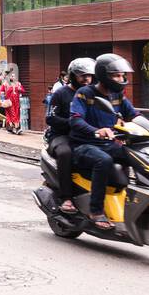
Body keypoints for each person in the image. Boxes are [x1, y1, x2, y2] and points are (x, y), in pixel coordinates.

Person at [68, 53, 144, 230]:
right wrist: (97, 131)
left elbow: (134, 115)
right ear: (103, 75)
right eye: (116, 75)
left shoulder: (118, 94)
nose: (121, 78)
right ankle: (96, 211)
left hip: (108, 144)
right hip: (84, 144)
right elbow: (75, 120)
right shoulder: (84, 93)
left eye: (122, 75)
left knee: (136, 156)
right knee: (104, 160)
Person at [47, 57, 95, 215]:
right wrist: (72, 123)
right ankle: (66, 198)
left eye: (89, 76)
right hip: (61, 136)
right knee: (65, 153)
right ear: (73, 75)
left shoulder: (93, 94)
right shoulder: (60, 93)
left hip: (86, 135)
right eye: (83, 76)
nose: (87, 79)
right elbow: (50, 117)